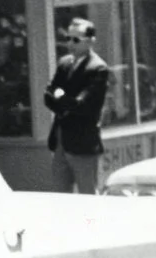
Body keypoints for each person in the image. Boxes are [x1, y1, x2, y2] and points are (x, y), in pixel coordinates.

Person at [42, 16, 113, 193]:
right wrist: (64, 102)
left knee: (87, 194)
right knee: (61, 194)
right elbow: (48, 95)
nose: (70, 44)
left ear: (90, 41)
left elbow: (83, 105)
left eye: (76, 40)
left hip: (83, 143)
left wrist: (61, 98)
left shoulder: (98, 68)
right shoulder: (64, 63)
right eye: (68, 38)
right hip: (61, 140)